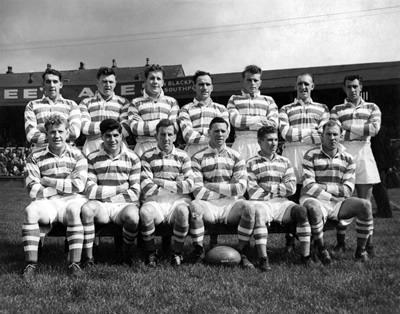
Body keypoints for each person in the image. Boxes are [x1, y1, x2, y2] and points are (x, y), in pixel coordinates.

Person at [22, 114, 88, 279]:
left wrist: (48, 181)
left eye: (60, 131)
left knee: (74, 211)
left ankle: (74, 263)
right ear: (46, 134)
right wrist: (63, 185)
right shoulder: (35, 156)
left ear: (67, 133)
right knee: (30, 211)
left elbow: (79, 185)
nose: (57, 136)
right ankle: (31, 264)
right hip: (47, 201)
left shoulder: (78, 155)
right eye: (52, 132)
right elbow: (33, 189)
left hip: (72, 200)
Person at [300, 120, 374, 264]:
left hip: (337, 202)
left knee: (365, 204)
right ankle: (321, 249)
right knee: (313, 208)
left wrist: (326, 188)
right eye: (328, 134)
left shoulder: (348, 158)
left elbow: (347, 190)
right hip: (314, 199)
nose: (332, 137)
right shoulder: (310, 154)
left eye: (335, 134)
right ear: (322, 136)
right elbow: (309, 186)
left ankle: (361, 251)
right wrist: (331, 195)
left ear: (341, 136)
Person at [189, 117, 252, 266]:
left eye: (223, 131)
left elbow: (241, 188)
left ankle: (243, 252)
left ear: (228, 133)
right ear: (209, 132)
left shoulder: (236, 156)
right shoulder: (197, 158)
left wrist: (211, 186)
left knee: (249, 208)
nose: (220, 134)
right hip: (208, 205)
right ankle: (199, 251)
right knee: (195, 207)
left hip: (231, 204)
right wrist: (227, 189)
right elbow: (198, 191)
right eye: (216, 131)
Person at [246, 126, 312, 269]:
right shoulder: (251, 163)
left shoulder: (285, 162)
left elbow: (292, 188)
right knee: (258, 214)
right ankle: (263, 259)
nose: (274, 143)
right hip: (260, 203)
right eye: (269, 140)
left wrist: (269, 188)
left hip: (282, 203)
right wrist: (280, 189)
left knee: (301, 212)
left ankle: (305, 257)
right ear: (259, 142)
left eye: (276, 140)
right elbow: (253, 192)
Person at [330, 75, 380, 254]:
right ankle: (340, 242)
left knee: (365, 202)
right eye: (349, 87)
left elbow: (374, 130)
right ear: (344, 89)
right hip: (344, 155)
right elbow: (336, 134)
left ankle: (368, 244)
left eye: (355, 86)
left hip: (365, 155)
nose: (352, 90)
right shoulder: (336, 109)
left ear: (361, 87)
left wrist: (348, 127)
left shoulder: (372, 107)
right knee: (342, 200)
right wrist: (360, 130)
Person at [81, 119, 141, 266]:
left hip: (124, 205)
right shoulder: (92, 157)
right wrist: (119, 189)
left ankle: (126, 254)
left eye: (116, 135)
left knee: (133, 217)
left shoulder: (133, 158)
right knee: (87, 210)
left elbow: (134, 193)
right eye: (108, 136)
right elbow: (90, 191)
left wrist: (106, 196)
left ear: (121, 136)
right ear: (102, 137)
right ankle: (89, 258)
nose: (112, 139)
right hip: (102, 206)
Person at [140, 119, 194, 267]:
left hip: (178, 200)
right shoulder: (147, 156)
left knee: (183, 211)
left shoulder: (184, 156)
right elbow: (146, 187)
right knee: (145, 212)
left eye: (170, 134)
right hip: (155, 200)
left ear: (175, 136)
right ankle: (151, 252)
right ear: (156, 136)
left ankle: (176, 253)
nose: (166, 138)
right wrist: (175, 183)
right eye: (162, 134)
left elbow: (188, 186)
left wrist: (159, 181)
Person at [279, 73, 330, 202]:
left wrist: (298, 134)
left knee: (312, 193)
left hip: (314, 153)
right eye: (300, 84)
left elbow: (323, 135)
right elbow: (286, 133)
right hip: (292, 154)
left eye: (306, 84)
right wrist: (311, 132)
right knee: (291, 193)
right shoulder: (285, 109)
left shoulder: (322, 108)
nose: (303, 87)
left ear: (312, 86)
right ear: (295, 86)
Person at [227, 65, 278, 161]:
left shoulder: (268, 100)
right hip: (241, 144)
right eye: (249, 80)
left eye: (255, 80)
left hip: (262, 143)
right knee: (241, 174)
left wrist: (246, 124)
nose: (252, 83)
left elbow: (273, 125)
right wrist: (260, 119)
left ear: (260, 82)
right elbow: (236, 121)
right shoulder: (234, 99)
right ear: (243, 81)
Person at [126, 64, 179, 157]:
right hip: (142, 149)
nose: (155, 82)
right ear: (145, 81)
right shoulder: (135, 102)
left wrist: (143, 123)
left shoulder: (172, 102)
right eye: (152, 78)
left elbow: (174, 127)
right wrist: (163, 123)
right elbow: (135, 128)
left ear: (162, 82)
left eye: (158, 79)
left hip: (165, 146)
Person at [79, 67, 131, 156]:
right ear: (97, 83)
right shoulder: (85, 102)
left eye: (111, 82)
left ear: (115, 83)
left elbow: (125, 129)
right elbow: (84, 127)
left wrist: (95, 132)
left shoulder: (124, 102)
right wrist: (114, 127)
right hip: (92, 147)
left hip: (116, 146)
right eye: (104, 81)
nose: (107, 84)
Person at [24, 68, 81, 150]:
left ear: (61, 84)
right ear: (43, 85)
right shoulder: (32, 105)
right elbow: (31, 135)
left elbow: (75, 133)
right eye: (48, 82)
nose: (52, 85)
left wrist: (41, 127)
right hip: (40, 155)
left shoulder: (72, 105)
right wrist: (62, 132)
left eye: (55, 81)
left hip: (67, 155)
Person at [178, 70, 229, 157]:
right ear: (194, 87)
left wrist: (199, 131)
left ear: (212, 87)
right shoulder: (185, 109)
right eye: (201, 84)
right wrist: (213, 134)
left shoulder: (221, 109)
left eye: (208, 84)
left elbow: (225, 134)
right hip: (192, 155)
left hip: (216, 154)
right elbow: (189, 137)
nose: (205, 88)